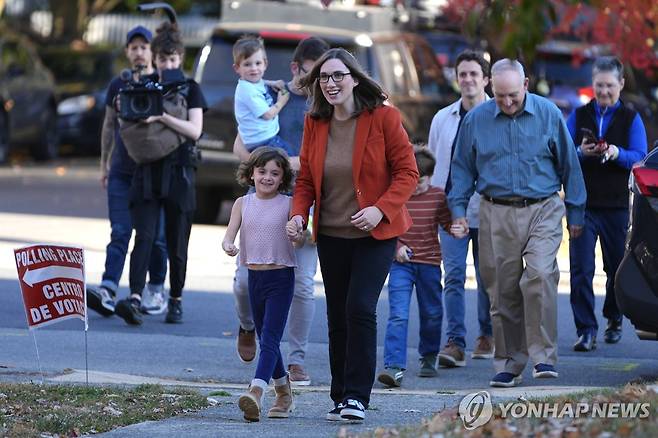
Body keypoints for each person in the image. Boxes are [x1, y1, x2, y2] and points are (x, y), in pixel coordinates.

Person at [286, 48, 418, 421]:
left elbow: (408, 173)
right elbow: (308, 179)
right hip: (331, 233)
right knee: (338, 315)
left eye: (338, 76)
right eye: (324, 78)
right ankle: (340, 394)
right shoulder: (316, 122)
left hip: (376, 234)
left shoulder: (384, 118)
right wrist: (298, 215)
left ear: (355, 78)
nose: (330, 83)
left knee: (360, 307)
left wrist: (380, 209)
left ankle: (358, 396)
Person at [448, 59, 586, 388]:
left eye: (513, 94)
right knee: (503, 290)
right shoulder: (477, 120)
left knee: (539, 273)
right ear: (490, 89)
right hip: (495, 210)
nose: (507, 102)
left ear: (525, 84)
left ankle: (543, 357)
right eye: (500, 96)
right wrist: (458, 211)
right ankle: (510, 361)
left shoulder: (549, 114)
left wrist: (576, 213)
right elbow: (462, 169)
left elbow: (570, 164)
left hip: (543, 207)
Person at [231, 37, 330, 386]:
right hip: (262, 203)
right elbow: (239, 145)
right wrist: (276, 168)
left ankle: (297, 360)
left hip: (307, 205)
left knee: (302, 285)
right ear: (294, 68)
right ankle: (247, 326)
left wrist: (297, 167)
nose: (319, 82)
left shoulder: (329, 105)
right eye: (311, 73)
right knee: (245, 281)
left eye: (324, 75)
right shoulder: (266, 93)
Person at [113, 21, 207, 326]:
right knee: (145, 237)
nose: (167, 65)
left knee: (178, 241)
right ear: (155, 59)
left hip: (179, 171)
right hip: (148, 172)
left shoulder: (190, 89)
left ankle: (175, 300)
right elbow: (129, 118)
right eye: (162, 59)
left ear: (180, 58)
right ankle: (136, 298)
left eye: (172, 59)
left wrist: (162, 115)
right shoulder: (145, 86)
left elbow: (194, 130)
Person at [86, 25, 168, 318]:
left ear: (152, 51)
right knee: (120, 231)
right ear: (127, 52)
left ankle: (156, 288)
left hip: (152, 173)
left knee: (156, 237)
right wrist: (104, 164)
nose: (138, 52)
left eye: (143, 47)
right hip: (121, 171)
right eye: (133, 47)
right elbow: (108, 125)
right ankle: (108, 289)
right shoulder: (117, 84)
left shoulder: (162, 81)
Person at [567, 56, 647, 351]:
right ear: (593, 83)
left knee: (615, 267)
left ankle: (613, 317)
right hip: (583, 205)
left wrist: (615, 153)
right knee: (581, 269)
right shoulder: (579, 114)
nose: (603, 91)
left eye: (609, 86)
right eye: (599, 85)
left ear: (621, 84)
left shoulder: (631, 117)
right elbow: (562, 153)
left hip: (616, 207)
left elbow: (639, 157)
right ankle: (585, 329)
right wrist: (580, 151)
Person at [223, 147, 299, 422]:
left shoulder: (289, 203)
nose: (267, 177)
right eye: (262, 171)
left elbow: (303, 234)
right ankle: (284, 392)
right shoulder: (243, 203)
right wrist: (229, 245)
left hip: (280, 277)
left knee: (270, 337)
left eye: (275, 173)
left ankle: (256, 390)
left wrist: (299, 231)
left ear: (283, 178)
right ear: (251, 173)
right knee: (266, 338)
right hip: (253, 276)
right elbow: (229, 235)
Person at [428, 50, 493, 367]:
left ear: (486, 80)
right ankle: (455, 341)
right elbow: (434, 165)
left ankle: (488, 334)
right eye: (462, 74)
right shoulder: (443, 118)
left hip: (489, 210)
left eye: (473, 74)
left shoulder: (497, 115)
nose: (467, 80)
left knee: (487, 277)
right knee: (453, 276)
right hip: (450, 211)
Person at [377, 145, 454, 388]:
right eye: (413, 180)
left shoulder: (438, 196)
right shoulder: (396, 196)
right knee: (398, 314)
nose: (416, 186)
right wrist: (396, 247)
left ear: (431, 177)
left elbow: (448, 223)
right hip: (401, 264)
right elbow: (385, 225)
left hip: (429, 263)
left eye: (422, 181)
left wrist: (457, 227)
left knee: (431, 312)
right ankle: (394, 366)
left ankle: (429, 356)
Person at [233, 35, 292, 155]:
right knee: (288, 160)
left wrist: (273, 82)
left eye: (258, 63)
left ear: (265, 64)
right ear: (237, 68)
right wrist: (281, 101)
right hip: (263, 141)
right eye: (247, 64)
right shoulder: (247, 91)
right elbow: (267, 115)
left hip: (262, 139)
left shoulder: (249, 83)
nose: (254, 68)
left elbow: (259, 82)